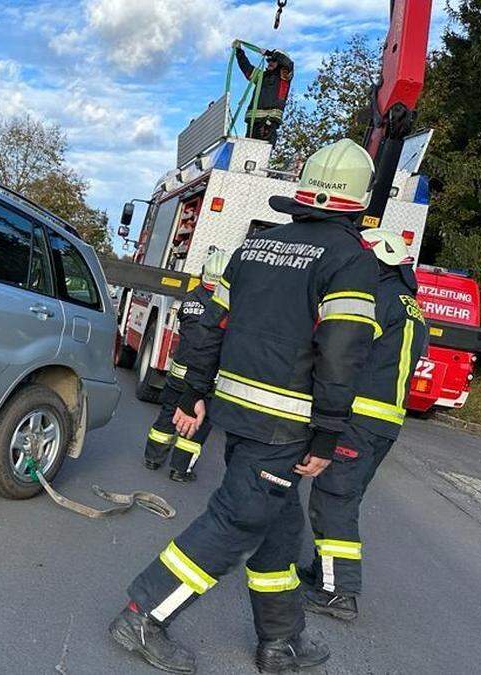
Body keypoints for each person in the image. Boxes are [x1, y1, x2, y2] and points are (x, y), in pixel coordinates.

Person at [108, 138, 381, 674]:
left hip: (240, 416)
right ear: (358, 201)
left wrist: (193, 393)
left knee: (277, 528)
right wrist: (327, 434)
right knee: (237, 522)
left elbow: (207, 327)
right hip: (286, 428)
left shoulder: (254, 248)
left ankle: (281, 641)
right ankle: (142, 614)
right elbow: (342, 354)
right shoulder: (351, 261)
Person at [301, 228, 430, 620]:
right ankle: (327, 573)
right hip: (385, 424)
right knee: (344, 496)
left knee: (333, 501)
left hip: (358, 417)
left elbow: (345, 350)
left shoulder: (375, 299)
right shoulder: (411, 306)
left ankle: (340, 592)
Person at [143, 250, 231, 483]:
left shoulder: (191, 298)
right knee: (196, 424)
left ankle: (152, 459)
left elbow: (184, 321)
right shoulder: (226, 307)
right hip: (204, 376)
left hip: (178, 371)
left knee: (168, 413)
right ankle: (180, 470)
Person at [234, 42, 294, 146]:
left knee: (262, 153)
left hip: (268, 122)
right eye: (269, 61)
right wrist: (239, 52)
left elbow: (288, 63)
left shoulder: (284, 77)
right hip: (253, 122)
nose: (269, 62)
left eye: (273, 61)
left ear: (280, 63)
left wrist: (269, 53)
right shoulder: (262, 76)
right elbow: (247, 68)